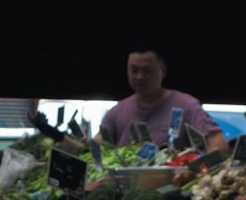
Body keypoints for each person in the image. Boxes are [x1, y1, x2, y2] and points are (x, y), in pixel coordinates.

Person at [97, 46, 229, 153]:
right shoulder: (117, 111)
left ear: (163, 71)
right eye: (134, 70)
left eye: (147, 71)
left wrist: (196, 171)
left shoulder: (186, 105)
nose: (139, 77)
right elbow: (94, 149)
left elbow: (219, 145)